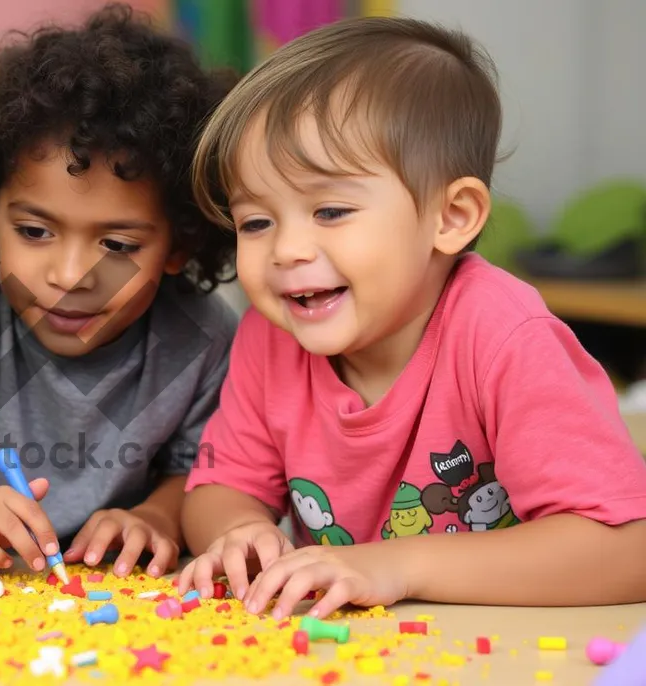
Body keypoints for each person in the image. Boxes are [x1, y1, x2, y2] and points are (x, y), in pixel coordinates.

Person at [178, 16, 646, 619]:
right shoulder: (271, 337)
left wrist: (396, 565)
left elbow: (627, 549)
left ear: (450, 218)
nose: (286, 250)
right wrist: (237, 530)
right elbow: (218, 488)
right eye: (256, 222)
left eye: (330, 210)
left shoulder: (502, 333)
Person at [0, 3, 240, 579]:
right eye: (33, 232)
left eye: (117, 246)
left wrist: (157, 518)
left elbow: (202, 471)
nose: (67, 275)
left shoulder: (204, 335)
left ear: (180, 244)